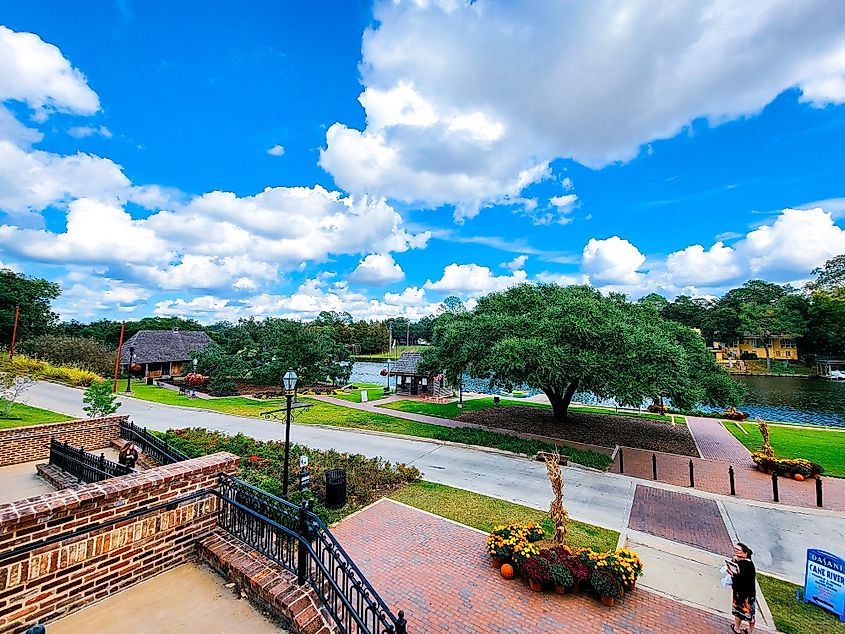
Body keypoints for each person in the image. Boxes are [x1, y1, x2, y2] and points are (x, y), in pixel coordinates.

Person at [729, 542, 757, 633]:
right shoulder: (740, 561)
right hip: (739, 592)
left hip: (746, 595)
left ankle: (748, 630)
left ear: (745, 553)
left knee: (749, 613)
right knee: (738, 611)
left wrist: (733, 574)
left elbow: (741, 577)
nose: (736, 551)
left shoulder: (747, 565)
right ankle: (741, 629)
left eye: (738, 550)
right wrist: (734, 560)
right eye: (735, 549)